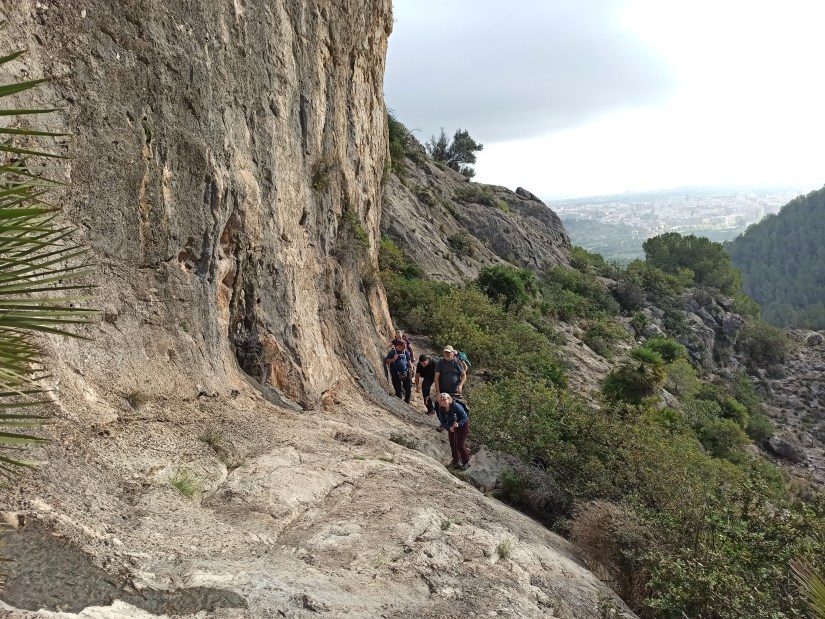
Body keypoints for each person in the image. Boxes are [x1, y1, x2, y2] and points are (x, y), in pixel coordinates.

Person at [437, 393, 470, 469]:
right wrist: (449, 427)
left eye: (444, 399)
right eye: (441, 401)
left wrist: (458, 424)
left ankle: (466, 462)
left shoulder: (455, 406)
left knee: (460, 444)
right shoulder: (441, 409)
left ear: (449, 399)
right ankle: (456, 461)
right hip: (452, 426)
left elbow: (465, 417)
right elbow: (442, 422)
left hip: (463, 425)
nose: (443, 402)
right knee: (453, 444)